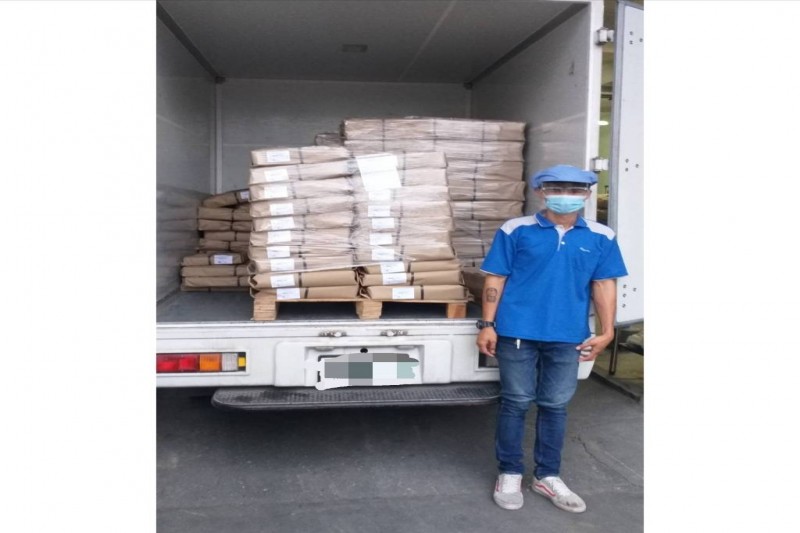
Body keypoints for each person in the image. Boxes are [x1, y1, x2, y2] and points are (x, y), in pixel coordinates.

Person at [476, 164, 628, 513]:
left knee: (555, 405)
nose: (565, 196)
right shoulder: (516, 230)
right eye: (557, 189)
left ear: (587, 194)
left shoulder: (601, 236)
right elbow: (495, 277)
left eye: (575, 190)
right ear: (540, 192)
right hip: (516, 331)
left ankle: (547, 476)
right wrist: (487, 324)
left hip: (568, 335)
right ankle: (510, 472)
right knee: (516, 402)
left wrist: (607, 331)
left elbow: (604, 284)